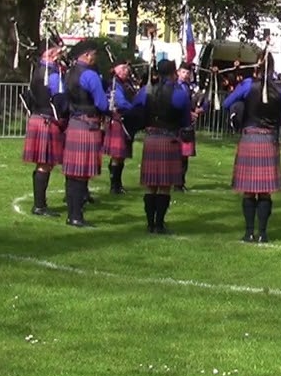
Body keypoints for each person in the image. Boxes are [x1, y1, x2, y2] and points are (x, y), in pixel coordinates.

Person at [223, 54, 281, 243]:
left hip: (250, 137)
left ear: (256, 66)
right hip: (268, 139)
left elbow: (227, 103)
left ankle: (249, 232)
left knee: (249, 190)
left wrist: (241, 106)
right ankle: (263, 233)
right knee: (265, 190)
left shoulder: (247, 85)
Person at [135, 60, 192, 234]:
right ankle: (159, 224)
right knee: (165, 185)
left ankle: (149, 223)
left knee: (151, 184)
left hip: (151, 139)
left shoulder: (146, 91)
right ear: (173, 73)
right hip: (169, 139)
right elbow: (185, 120)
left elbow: (135, 109)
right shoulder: (179, 93)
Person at [61, 43, 110, 227]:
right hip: (87, 124)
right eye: (94, 54)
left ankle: (72, 215)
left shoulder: (70, 73)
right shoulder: (90, 75)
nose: (95, 58)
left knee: (72, 173)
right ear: (87, 55)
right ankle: (76, 217)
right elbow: (102, 103)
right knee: (81, 174)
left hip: (74, 122)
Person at [21, 45, 66, 217]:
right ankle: (39, 206)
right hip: (47, 120)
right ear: (53, 57)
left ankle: (40, 204)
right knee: (45, 164)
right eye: (59, 55)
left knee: (43, 164)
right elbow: (60, 99)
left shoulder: (37, 71)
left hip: (37, 118)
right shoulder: (53, 75)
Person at [103, 61, 139, 195]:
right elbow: (121, 102)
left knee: (121, 156)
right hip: (118, 120)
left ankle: (118, 184)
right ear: (115, 69)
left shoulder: (126, 83)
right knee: (117, 155)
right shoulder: (114, 84)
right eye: (122, 68)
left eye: (127, 68)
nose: (126, 71)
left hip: (126, 120)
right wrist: (136, 109)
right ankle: (114, 186)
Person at [174, 63, 207, 191]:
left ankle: (180, 183)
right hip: (176, 124)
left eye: (187, 73)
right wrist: (188, 113)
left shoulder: (192, 88)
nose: (186, 75)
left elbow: (205, 101)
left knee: (184, 156)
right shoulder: (174, 87)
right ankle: (174, 182)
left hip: (188, 125)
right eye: (183, 72)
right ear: (178, 72)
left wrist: (201, 109)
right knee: (176, 156)